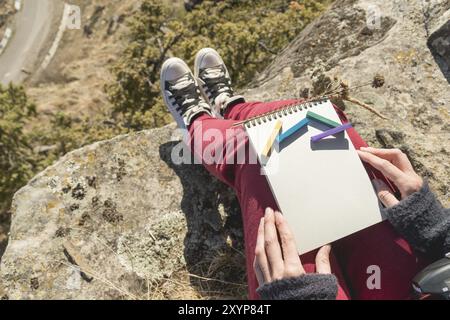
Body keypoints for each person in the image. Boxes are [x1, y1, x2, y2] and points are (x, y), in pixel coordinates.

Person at [160, 48, 450, 300]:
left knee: (255, 154)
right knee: (320, 121)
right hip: (429, 275)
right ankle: (233, 107)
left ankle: (198, 121)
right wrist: (439, 232)